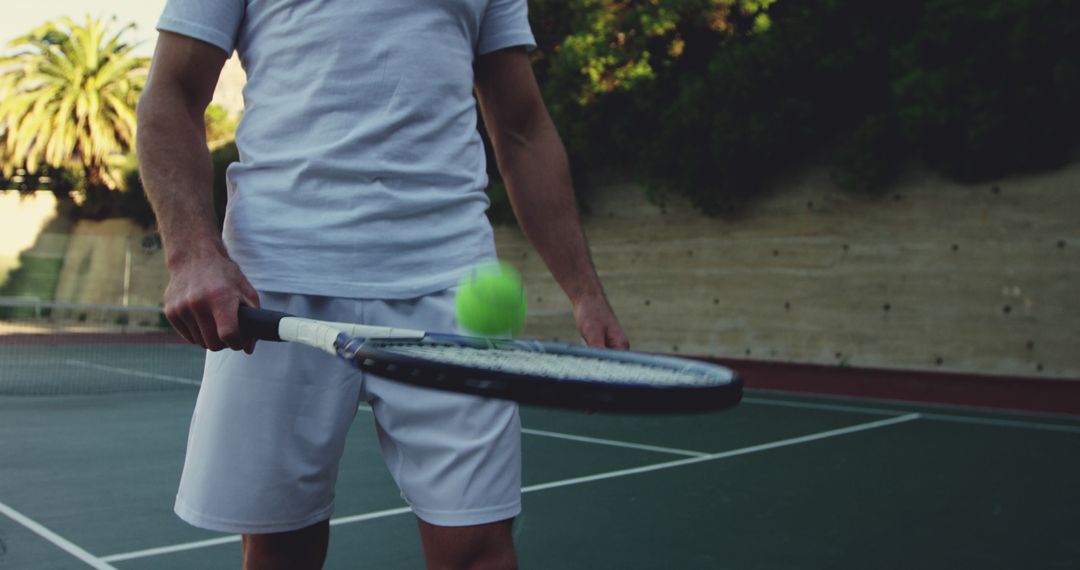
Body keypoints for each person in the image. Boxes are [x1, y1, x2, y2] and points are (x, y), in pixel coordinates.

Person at [136, 1, 629, 568]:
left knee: (477, 551)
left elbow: (521, 128)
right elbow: (171, 90)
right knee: (279, 552)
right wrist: (193, 254)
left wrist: (586, 293)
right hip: (275, 286)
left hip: (453, 290)